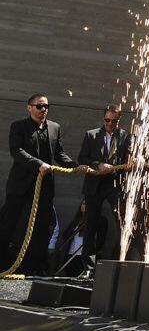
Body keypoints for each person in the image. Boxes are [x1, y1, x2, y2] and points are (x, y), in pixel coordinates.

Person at [0, 94, 87, 274]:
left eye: (46, 106)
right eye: (39, 106)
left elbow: (59, 153)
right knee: (8, 223)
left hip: (45, 186)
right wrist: (38, 164)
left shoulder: (54, 127)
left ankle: (35, 268)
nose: (43, 110)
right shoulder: (18, 126)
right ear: (29, 108)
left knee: (41, 228)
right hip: (20, 185)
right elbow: (17, 151)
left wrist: (75, 166)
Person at [77, 105, 132, 275]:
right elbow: (82, 158)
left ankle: (122, 262)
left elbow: (129, 158)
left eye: (114, 121)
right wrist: (98, 165)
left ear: (118, 120)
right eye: (107, 120)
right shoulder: (91, 135)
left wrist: (127, 163)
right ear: (103, 119)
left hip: (115, 184)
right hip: (95, 184)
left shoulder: (126, 136)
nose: (110, 124)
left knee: (122, 222)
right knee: (90, 225)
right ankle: (88, 267)